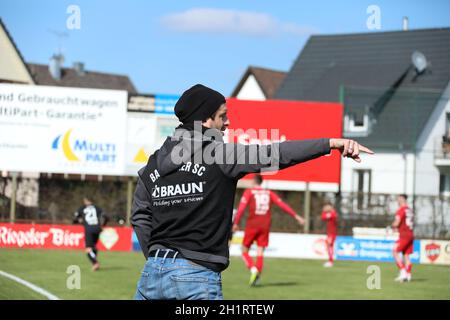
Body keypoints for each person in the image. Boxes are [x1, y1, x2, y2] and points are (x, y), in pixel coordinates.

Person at [131, 83, 374, 300]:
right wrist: (329, 143)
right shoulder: (221, 155)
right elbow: (276, 154)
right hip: (196, 277)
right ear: (205, 120)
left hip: (152, 275)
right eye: (223, 116)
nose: (228, 123)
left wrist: (155, 255)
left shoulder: (151, 166)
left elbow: (140, 216)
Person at [232, 174, 305, 286]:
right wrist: (296, 216)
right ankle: (257, 277)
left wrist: (236, 223)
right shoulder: (269, 192)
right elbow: (282, 205)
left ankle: (253, 269)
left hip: (253, 223)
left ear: (253, 181)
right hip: (265, 224)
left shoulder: (249, 192)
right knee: (260, 251)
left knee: (244, 250)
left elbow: (241, 208)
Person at [73, 196, 105, 271]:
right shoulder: (97, 208)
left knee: (88, 249)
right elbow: (105, 216)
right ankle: (94, 259)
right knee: (94, 247)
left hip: (89, 229)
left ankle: (95, 263)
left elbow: (75, 218)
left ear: (85, 201)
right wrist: (103, 225)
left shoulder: (82, 208)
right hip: (97, 228)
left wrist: (78, 221)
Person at [391, 194, 414, 282]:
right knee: (406, 255)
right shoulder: (410, 210)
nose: (398, 201)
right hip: (410, 234)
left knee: (395, 251)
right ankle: (408, 275)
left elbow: (397, 222)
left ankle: (403, 272)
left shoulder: (401, 210)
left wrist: (392, 226)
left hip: (404, 235)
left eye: (398, 199)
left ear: (402, 199)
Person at [321, 202, 338, 267]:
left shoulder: (332, 214)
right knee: (329, 246)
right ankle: (330, 261)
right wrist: (324, 212)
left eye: (327, 206)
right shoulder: (331, 213)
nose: (325, 208)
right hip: (330, 233)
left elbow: (323, 216)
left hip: (332, 234)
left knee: (329, 246)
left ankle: (330, 262)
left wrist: (324, 211)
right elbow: (323, 217)